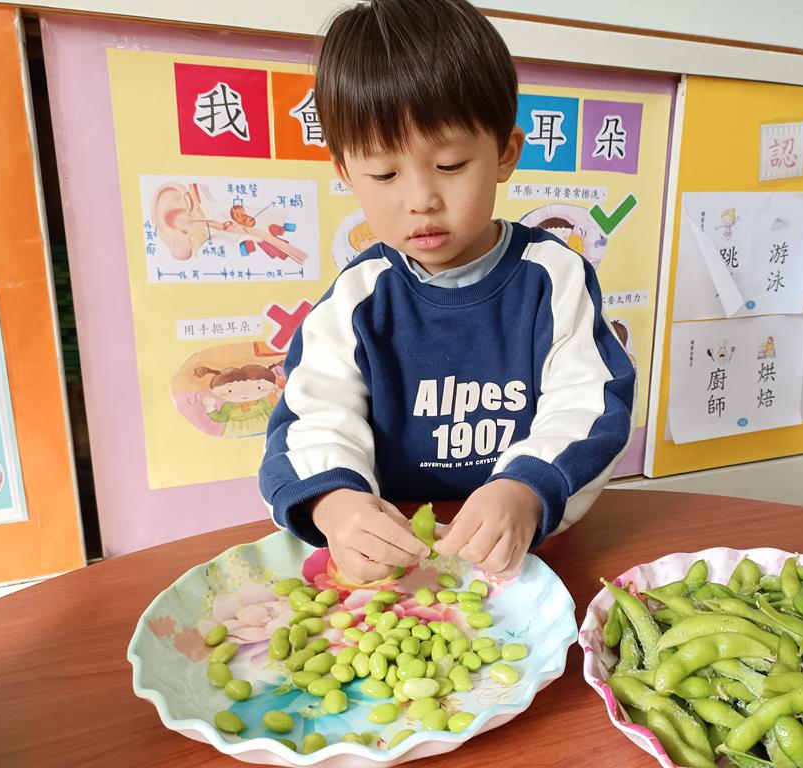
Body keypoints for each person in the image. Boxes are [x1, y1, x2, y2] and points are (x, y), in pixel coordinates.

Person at [259, 0, 635, 583]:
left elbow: (589, 404)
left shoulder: (552, 276)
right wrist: (335, 506)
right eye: (384, 174)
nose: (421, 201)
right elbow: (312, 419)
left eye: (452, 164)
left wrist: (524, 488)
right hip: (395, 551)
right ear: (346, 174)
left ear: (506, 153)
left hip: (527, 545)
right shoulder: (357, 299)